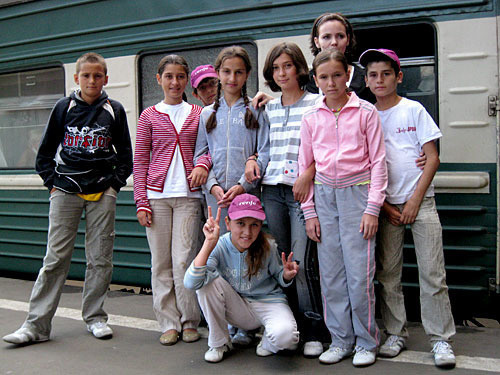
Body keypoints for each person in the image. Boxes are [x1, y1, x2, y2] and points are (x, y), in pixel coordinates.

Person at [3, 52, 133, 345]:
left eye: (97, 76)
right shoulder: (64, 107)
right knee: (55, 259)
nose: (91, 80)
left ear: (105, 79)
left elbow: (126, 156)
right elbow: (44, 153)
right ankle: (36, 325)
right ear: (76, 78)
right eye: (86, 76)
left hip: (102, 192)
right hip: (65, 189)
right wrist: (53, 184)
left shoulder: (115, 109)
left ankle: (96, 318)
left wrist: (113, 186)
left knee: (100, 259)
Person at [360, 48, 456, 368]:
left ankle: (440, 339)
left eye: (386, 73)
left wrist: (415, 198)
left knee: (432, 273)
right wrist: (385, 205)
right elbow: (367, 167)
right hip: (387, 207)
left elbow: (432, 158)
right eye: (373, 75)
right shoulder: (367, 115)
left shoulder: (413, 110)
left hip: (421, 202)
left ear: (398, 76)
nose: (380, 80)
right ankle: (396, 332)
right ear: (366, 80)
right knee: (388, 275)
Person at [298, 50, 387, 367]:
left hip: (358, 197)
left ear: (347, 74)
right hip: (324, 198)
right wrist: (310, 213)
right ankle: (340, 339)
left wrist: (372, 208)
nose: (331, 82)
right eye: (323, 77)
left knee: (359, 275)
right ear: (315, 79)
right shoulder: (311, 118)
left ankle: (366, 341)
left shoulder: (365, 112)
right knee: (331, 275)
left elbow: (378, 164)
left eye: (337, 75)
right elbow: (305, 166)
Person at [258, 41, 325, 357]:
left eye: (287, 66)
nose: (282, 72)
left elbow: (325, 148)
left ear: (300, 68)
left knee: (300, 263)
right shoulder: (269, 108)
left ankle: (313, 331)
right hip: (272, 191)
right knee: (282, 262)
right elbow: (266, 148)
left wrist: (307, 174)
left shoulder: (316, 104)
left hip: (301, 193)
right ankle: (289, 327)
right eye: (276, 68)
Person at [134, 55, 204, 346]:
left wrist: (204, 165)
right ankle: (168, 322)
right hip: (157, 198)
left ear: (186, 80)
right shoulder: (148, 115)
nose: (175, 82)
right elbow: (140, 160)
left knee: (184, 260)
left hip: (188, 197)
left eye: (180, 77)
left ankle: (189, 320)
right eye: (169, 77)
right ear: (159, 79)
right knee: (160, 263)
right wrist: (141, 201)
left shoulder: (199, 113)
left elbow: (207, 149)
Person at [184, 194, 300, 363]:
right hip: (238, 308)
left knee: (287, 339)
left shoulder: (268, 245)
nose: (247, 232)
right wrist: (208, 244)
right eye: (240, 224)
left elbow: (278, 275)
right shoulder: (219, 245)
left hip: (268, 304)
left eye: (254, 225)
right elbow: (191, 283)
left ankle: (268, 343)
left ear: (261, 225)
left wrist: (286, 275)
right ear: (227, 223)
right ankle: (219, 343)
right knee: (206, 283)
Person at [192, 46, 270, 235]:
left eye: (239, 72)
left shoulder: (256, 110)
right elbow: (201, 156)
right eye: (227, 72)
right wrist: (212, 186)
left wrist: (243, 185)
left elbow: (265, 152)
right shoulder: (207, 114)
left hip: (246, 195)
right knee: (218, 247)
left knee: (244, 244)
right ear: (218, 73)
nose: (232, 78)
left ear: (247, 74)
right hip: (216, 198)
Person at [306, 12, 374, 102]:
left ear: (348, 39)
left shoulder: (364, 79)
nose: (334, 42)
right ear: (317, 42)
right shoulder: (307, 81)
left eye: (340, 36)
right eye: (326, 37)